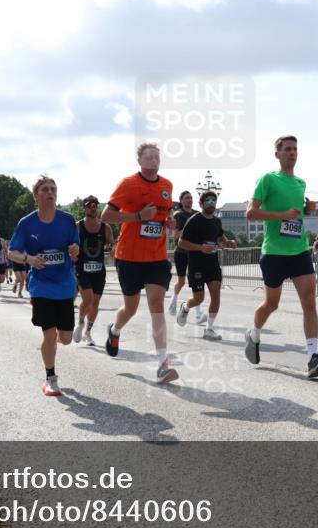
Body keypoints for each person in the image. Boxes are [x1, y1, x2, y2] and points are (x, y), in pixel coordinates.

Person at [243, 135, 318, 378]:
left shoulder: (301, 183)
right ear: (277, 154)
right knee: (272, 304)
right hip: (273, 253)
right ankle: (254, 333)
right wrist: (283, 214)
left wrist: (306, 210)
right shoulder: (268, 179)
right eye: (288, 149)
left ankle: (312, 356)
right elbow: (250, 213)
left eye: (295, 149)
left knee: (309, 301)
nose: (292, 153)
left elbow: (296, 213)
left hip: (299, 250)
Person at [100, 142, 179, 384]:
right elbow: (106, 216)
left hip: (156, 257)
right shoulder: (128, 184)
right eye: (149, 157)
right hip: (129, 256)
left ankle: (163, 365)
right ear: (140, 161)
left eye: (157, 157)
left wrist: (170, 222)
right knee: (131, 308)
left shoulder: (167, 185)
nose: (154, 161)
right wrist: (136, 217)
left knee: (157, 305)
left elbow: (166, 213)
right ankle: (114, 330)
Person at [8, 175, 80, 396]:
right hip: (41, 286)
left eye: (53, 189)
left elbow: (75, 246)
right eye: (45, 189)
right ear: (36, 196)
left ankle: (53, 342)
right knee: (49, 336)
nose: (50, 192)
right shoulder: (27, 223)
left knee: (65, 339)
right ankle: (50, 378)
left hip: (65, 285)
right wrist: (29, 259)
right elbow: (12, 252)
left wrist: (75, 250)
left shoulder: (67, 220)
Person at [177, 190, 236, 340]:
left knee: (216, 294)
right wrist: (201, 248)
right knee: (199, 299)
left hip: (213, 264)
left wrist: (228, 242)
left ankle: (209, 329)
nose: (211, 203)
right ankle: (185, 307)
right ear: (201, 204)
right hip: (197, 265)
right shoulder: (194, 220)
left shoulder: (217, 221)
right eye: (208, 201)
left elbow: (220, 237)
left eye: (213, 201)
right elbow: (181, 242)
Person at [74, 196, 114, 346]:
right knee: (88, 300)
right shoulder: (78, 226)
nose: (93, 208)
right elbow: (69, 242)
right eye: (90, 205)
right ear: (84, 208)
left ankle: (88, 332)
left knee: (95, 304)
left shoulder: (106, 227)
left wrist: (111, 248)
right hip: (82, 268)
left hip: (99, 270)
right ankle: (80, 323)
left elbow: (111, 243)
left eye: (95, 205)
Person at [167, 191, 198, 316]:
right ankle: (174, 299)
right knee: (181, 281)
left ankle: (198, 312)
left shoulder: (197, 214)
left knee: (195, 281)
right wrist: (188, 228)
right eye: (187, 198)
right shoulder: (178, 215)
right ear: (181, 201)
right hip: (181, 253)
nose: (189, 200)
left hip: (194, 253)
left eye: (191, 198)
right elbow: (175, 235)